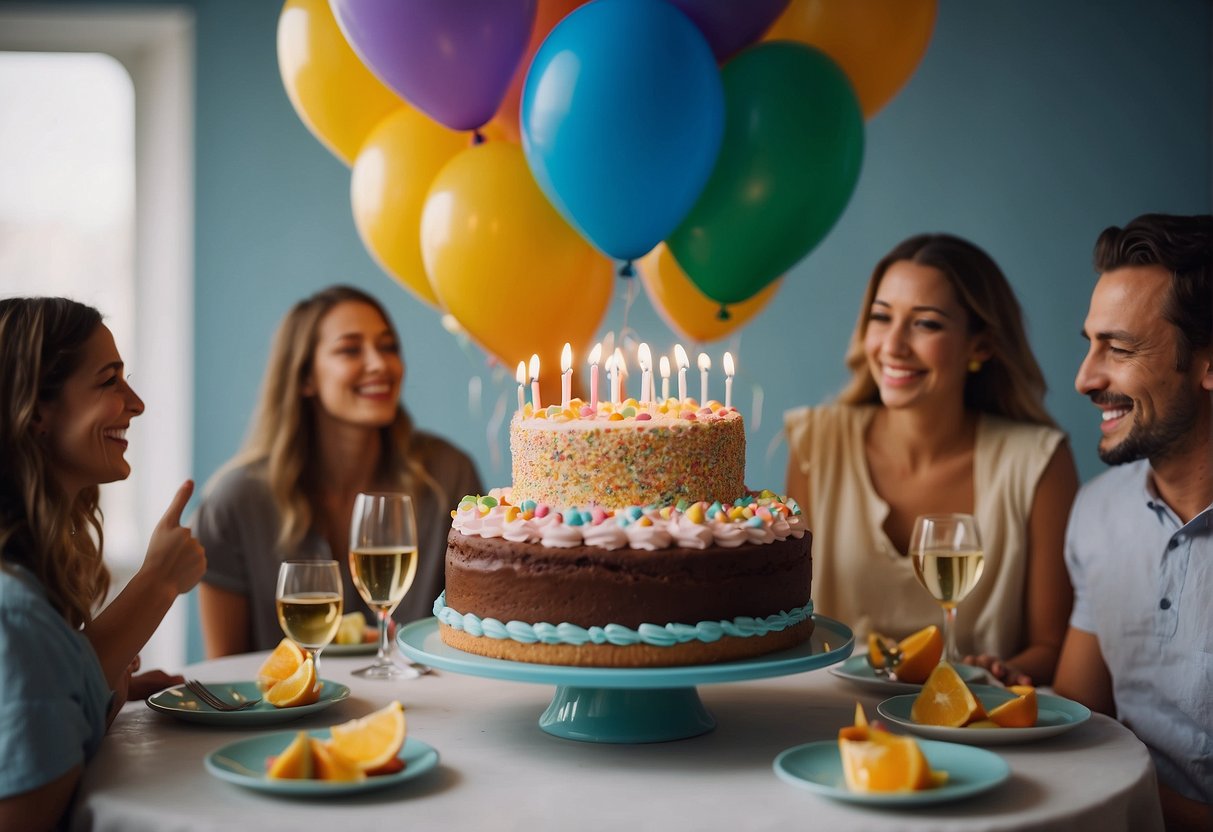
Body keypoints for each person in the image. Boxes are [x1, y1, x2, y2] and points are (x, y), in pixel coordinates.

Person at [785, 233, 1079, 685]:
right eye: (882, 318)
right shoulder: (816, 445)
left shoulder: (1038, 463)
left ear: (980, 346)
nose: (894, 345)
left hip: (971, 722)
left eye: (926, 324)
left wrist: (1001, 672)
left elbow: (1051, 647)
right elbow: (791, 619)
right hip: (833, 720)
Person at [0, 297, 206, 832]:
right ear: (38, 411)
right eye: (109, 381)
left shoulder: (27, 577)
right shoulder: (12, 614)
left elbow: (49, 697)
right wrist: (157, 583)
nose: (135, 404)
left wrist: (105, 688)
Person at [196, 284, 482, 656]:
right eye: (350, 350)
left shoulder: (447, 476)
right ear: (305, 378)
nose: (380, 364)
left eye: (388, 347)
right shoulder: (233, 502)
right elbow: (225, 676)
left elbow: (473, 639)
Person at [1053, 213, 1212, 832]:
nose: (1085, 378)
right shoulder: (1097, 511)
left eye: (1118, 349)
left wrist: (1127, 800)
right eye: (1090, 343)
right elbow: (1077, 719)